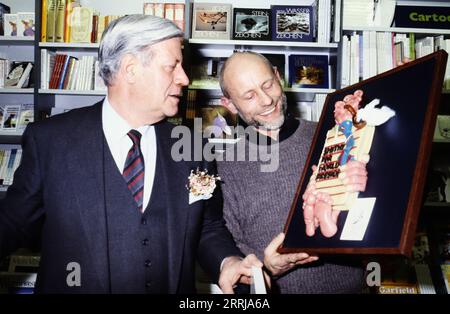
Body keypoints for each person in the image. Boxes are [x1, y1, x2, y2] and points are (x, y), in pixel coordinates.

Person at [0, 15, 262, 294]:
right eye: (172, 66)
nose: (184, 78)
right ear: (130, 69)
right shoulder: (50, 141)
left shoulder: (193, 149)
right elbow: (13, 224)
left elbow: (207, 227)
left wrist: (227, 261)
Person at [217, 51, 368, 293]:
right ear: (230, 105)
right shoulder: (224, 168)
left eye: (267, 84)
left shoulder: (332, 136)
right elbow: (233, 263)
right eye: (249, 95)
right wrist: (267, 269)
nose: (266, 100)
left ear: (278, 77)